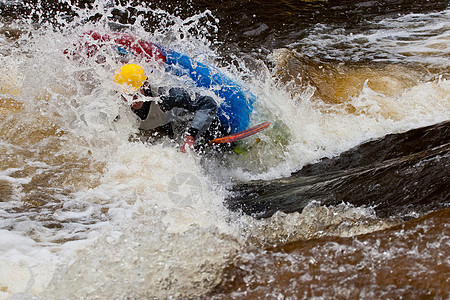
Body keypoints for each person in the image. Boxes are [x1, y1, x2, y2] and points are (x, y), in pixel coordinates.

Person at [114, 63, 229, 152]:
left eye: (135, 93)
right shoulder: (114, 105)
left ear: (146, 85)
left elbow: (208, 103)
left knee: (204, 138)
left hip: (185, 122)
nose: (132, 100)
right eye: (126, 95)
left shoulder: (168, 96)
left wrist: (191, 136)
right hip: (161, 126)